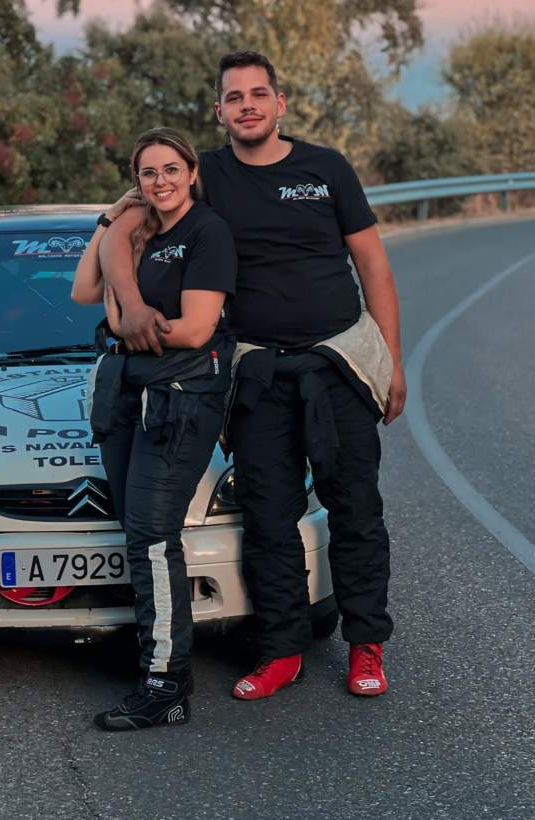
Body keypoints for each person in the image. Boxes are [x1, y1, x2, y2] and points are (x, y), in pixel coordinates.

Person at [98, 52, 407, 700]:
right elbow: (124, 221)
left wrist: (393, 362)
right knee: (268, 517)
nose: (247, 105)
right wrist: (128, 304)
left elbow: (374, 266)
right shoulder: (203, 174)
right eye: (233, 97)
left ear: (280, 102)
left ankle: (366, 646)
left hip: (338, 363)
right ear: (218, 111)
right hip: (257, 372)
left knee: (355, 510)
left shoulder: (326, 168)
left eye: (258, 94)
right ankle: (282, 652)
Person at [71, 127, 237, 730]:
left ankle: (166, 682)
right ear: (135, 181)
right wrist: (109, 218)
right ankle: (155, 659)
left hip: (184, 396)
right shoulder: (140, 232)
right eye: (148, 173)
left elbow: (195, 330)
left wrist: (131, 321)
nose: (160, 181)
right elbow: (84, 288)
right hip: (130, 393)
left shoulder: (206, 232)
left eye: (171, 169)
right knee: (138, 529)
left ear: (191, 172)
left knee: (151, 533)